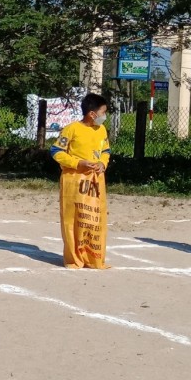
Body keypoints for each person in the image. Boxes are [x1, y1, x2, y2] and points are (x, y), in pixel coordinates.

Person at [50, 93, 111, 269]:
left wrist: (102, 164)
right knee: (74, 219)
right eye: (103, 112)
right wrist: (77, 163)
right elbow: (56, 151)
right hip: (74, 181)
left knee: (93, 219)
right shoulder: (72, 129)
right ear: (92, 114)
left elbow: (106, 151)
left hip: (95, 181)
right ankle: (74, 258)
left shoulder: (101, 130)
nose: (104, 116)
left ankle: (93, 257)